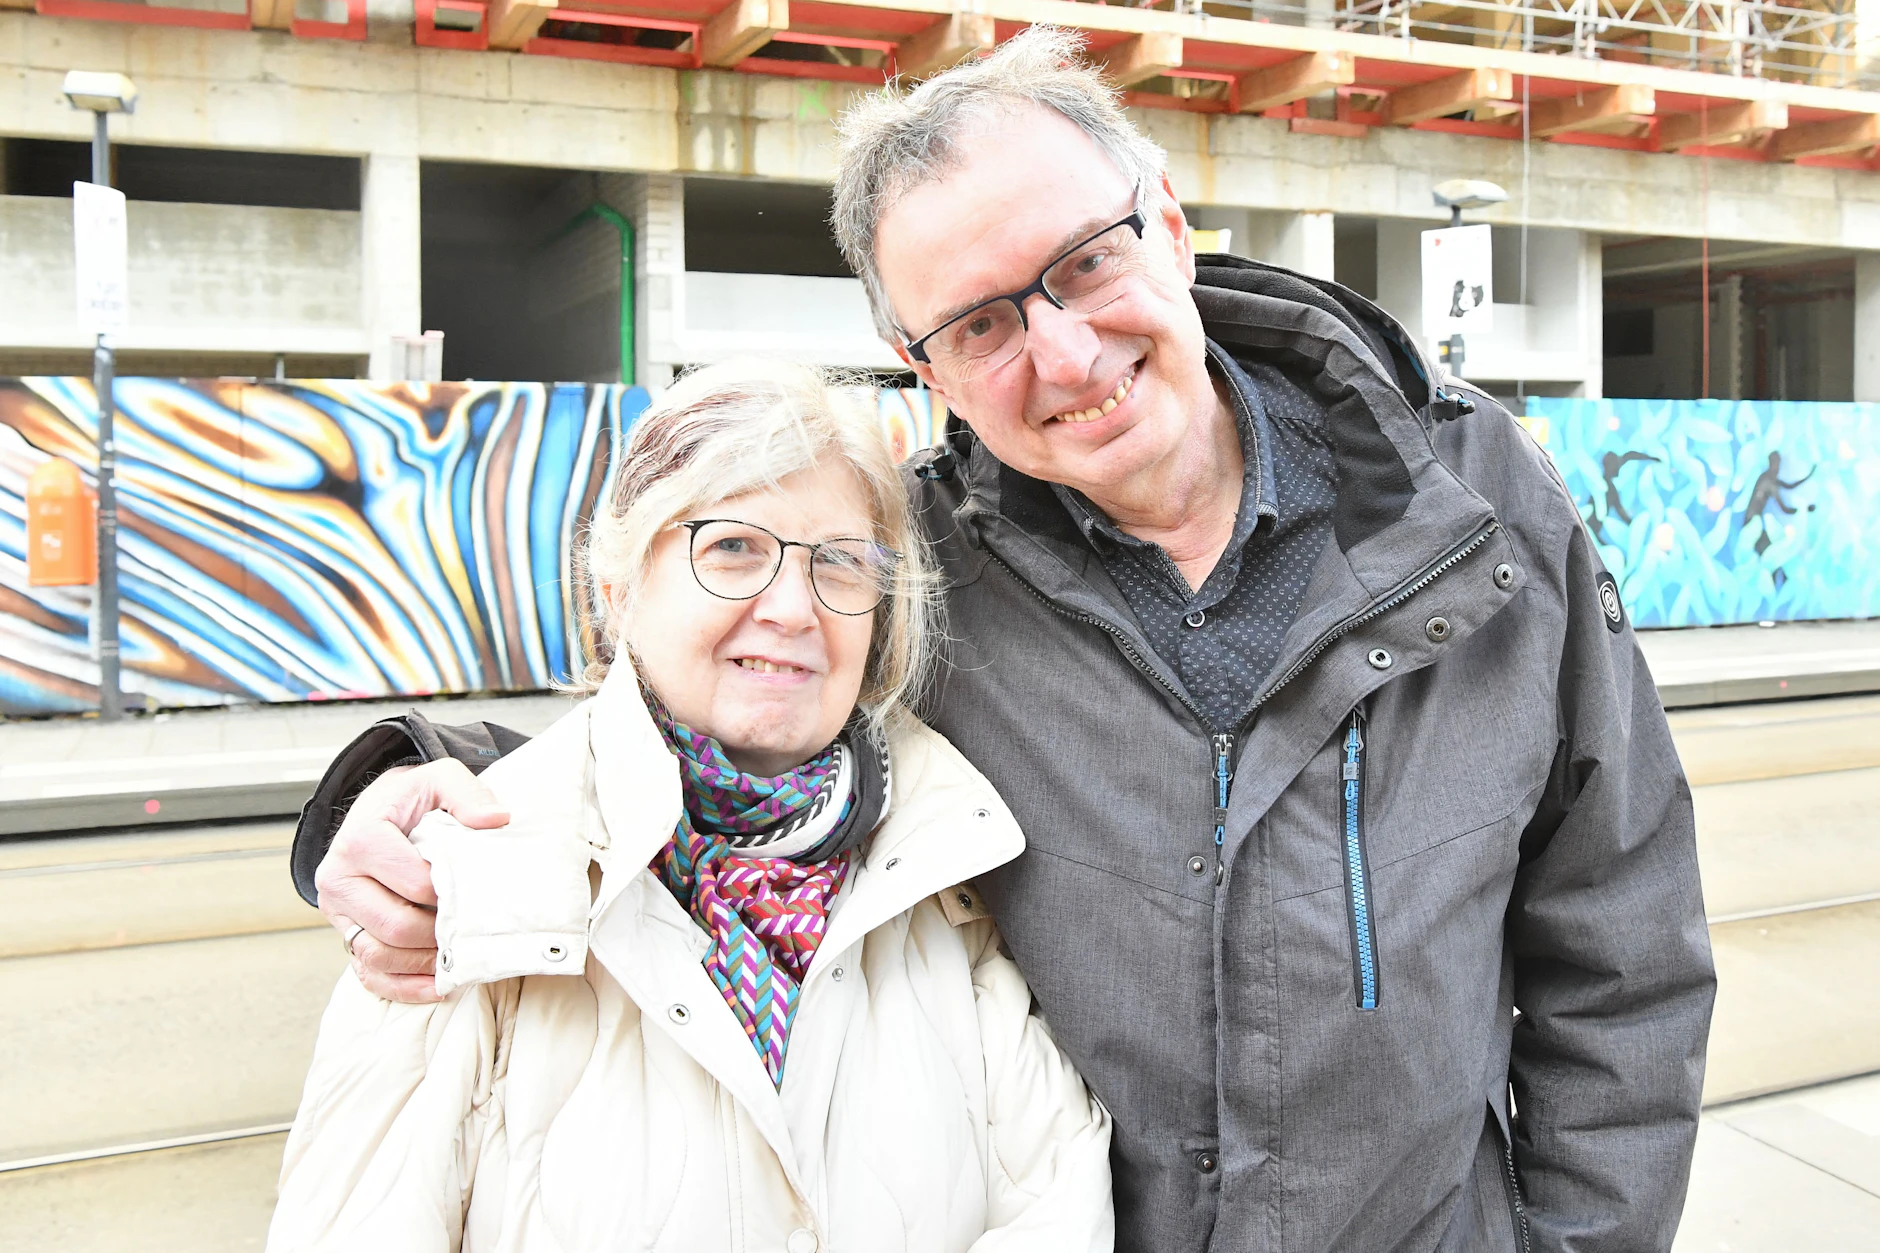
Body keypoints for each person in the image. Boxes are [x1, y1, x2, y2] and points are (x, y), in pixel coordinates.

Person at [301, 28, 1715, 1253]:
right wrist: (405, 783)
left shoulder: (1474, 502)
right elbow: (713, 723)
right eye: (979, 325)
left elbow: (1623, 940)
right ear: (927, 369)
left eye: (1083, 264)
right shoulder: (927, 571)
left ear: (1165, 220)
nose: (1064, 354)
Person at [268, 362, 1114, 1251]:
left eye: (839, 561)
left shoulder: (953, 867)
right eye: (734, 548)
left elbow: (1054, 1205)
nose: (792, 606)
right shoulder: (465, 889)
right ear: (620, 587)